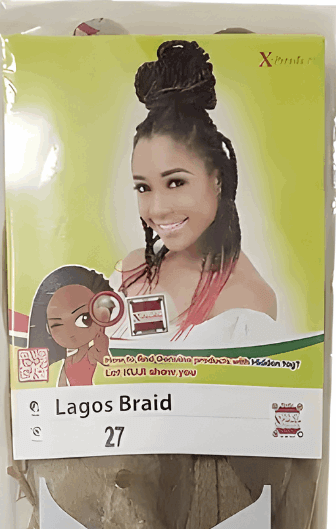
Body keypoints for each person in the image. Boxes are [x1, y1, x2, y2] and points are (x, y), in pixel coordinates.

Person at [118, 39, 277, 345]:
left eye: (175, 182)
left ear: (217, 180)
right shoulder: (132, 269)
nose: (157, 209)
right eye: (143, 187)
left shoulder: (247, 303)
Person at [26, 265, 114, 386]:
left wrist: (102, 348)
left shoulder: (91, 354)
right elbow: (61, 383)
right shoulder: (67, 361)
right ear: (47, 328)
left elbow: (107, 362)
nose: (70, 333)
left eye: (84, 319)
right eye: (57, 325)